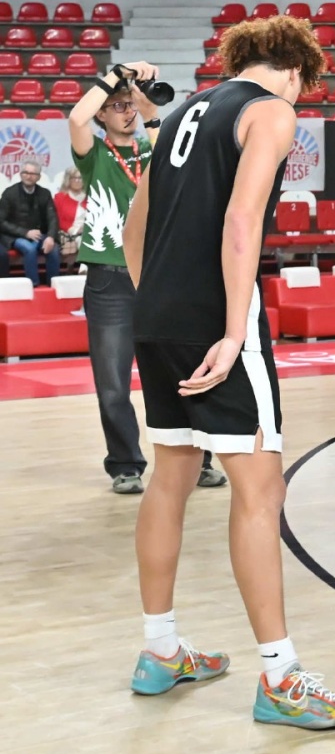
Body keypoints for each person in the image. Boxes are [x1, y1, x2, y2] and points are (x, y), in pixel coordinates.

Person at [124, 15, 335, 728]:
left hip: (157, 315)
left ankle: (160, 648)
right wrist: (233, 329)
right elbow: (242, 223)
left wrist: (157, 305)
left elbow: (136, 227)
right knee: (261, 488)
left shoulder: (177, 118)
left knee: (169, 473)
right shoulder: (272, 110)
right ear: (299, 69)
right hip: (214, 320)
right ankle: (281, 677)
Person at [68, 61, 227, 496]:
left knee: (183, 371)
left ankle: (199, 459)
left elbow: (175, 154)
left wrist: (147, 107)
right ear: (102, 112)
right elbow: (76, 119)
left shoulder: (150, 148)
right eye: (115, 106)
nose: (124, 112)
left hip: (160, 275)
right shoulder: (96, 155)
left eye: (128, 106)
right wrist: (113, 75)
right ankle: (125, 464)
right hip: (109, 281)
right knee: (113, 384)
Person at [1, 163, 60, 285]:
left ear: (38, 177)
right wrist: (25, 233)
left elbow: (52, 218)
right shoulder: (9, 193)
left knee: (53, 248)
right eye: (25, 173)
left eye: (33, 174)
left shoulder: (44, 193)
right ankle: (33, 285)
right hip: (15, 236)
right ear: (20, 175)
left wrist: (50, 237)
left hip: (39, 235)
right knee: (29, 249)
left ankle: (53, 285)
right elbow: (1, 222)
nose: (29, 176)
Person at [53, 166, 85, 270]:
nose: (77, 181)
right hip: (67, 233)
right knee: (84, 239)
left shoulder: (90, 196)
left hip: (88, 231)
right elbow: (58, 220)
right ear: (68, 180)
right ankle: (84, 268)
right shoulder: (60, 198)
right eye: (73, 178)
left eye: (80, 178)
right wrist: (75, 230)